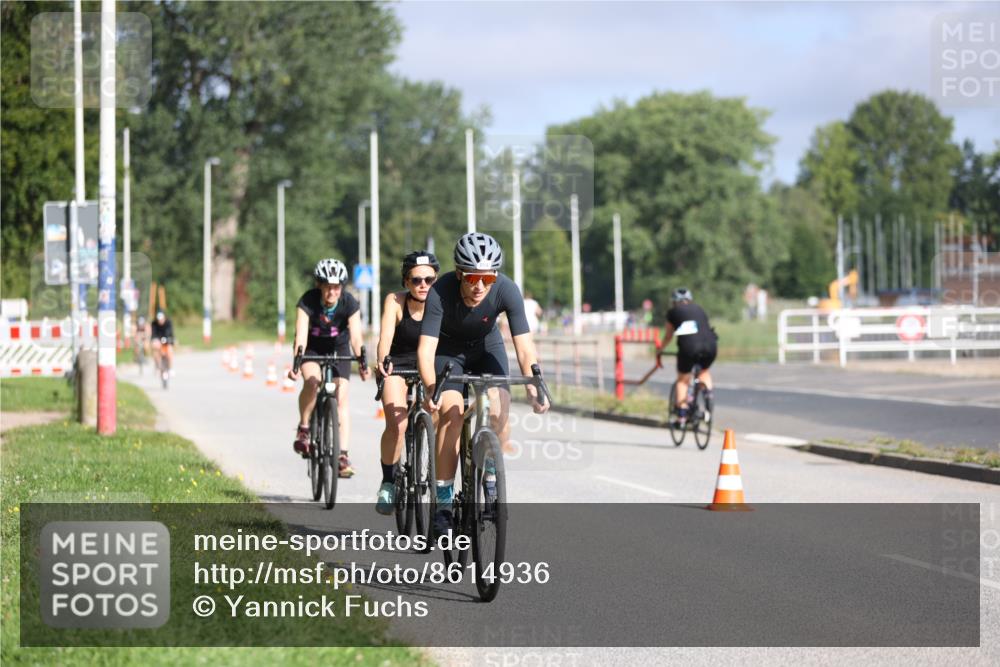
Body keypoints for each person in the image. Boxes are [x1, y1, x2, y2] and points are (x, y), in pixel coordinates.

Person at [418, 232, 549, 534]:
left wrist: (533, 384)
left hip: (486, 347)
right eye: (473, 279)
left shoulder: (506, 289)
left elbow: (525, 347)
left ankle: (491, 475)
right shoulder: (440, 292)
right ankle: (444, 501)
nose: (480, 287)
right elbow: (426, 351)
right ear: (460, 273)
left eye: (487, 280)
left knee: (499, 406)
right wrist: (429, 388)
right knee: (450, 414)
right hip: (449, 353)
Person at [287, 258, 370, 476]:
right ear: (319, 286)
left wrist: (362, 362)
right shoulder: (308, 301)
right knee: (313, 382)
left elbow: (356, 338)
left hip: (339, 348)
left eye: (336, 287)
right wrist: (296, 363)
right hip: (312, 348)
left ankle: (342, 455)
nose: (332, 292)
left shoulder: (349, 303)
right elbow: (301, 335)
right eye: (327, 286)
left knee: (341, 397)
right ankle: (304, 428)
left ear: (341, 287)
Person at [373, 250, 440, 515]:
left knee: (438, 417)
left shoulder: (442, 303)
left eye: (429, 280)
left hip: (430, 366)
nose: (424, 285)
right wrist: (383, 359)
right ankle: (388, 481)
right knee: (397, 425)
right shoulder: (395, 302)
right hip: (398, 366)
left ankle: (435, 478)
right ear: (406, 282)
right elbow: (384, 339)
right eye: (416, 280)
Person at [659, 288, 717, 426]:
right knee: (704, 371)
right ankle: (708, 394)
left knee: (683, 380)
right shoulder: (699, 309)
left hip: (688, 348)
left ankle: (682, 417)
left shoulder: (673, 312)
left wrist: (660, 349)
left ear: (674, 302)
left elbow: (668, 336)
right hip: (711, 345)